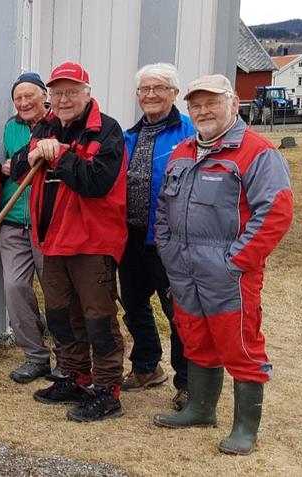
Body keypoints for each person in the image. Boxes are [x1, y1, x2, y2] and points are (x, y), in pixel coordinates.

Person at [152, 74, 293, 456]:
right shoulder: (182, 152)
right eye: (196, 105)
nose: (203, 111)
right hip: (183, 267)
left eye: (212, 103)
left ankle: (245, 428)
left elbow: (276, 212)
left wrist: (236, 262)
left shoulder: (257, 153)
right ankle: (200, 408)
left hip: (228, 271)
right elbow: (163, 209)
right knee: (196, 339)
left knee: (240, 345)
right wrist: (167, 249)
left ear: (233, 104)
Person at [11, 62, 128, 423]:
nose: (64, 99)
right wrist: (29, 156)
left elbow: (97, 182)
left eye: (71, 92)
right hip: (52, 239)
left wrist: (60, 155)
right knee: (61, 316)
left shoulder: (106, 130)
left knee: (98, 318)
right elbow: (17, 171)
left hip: (92, 241)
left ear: (87, 93)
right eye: (58, 92)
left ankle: (108, 390)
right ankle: (76, 377)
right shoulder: (45, 127)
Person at [119, 63, 195, 409]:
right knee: (134, 305)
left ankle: (188, 381)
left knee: (176, 312)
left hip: (169, 240)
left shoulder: (189, 133)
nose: (150, 95)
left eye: (159, 88)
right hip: (131, 236)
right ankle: (147, 366)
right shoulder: (129, 136)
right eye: (144, 89)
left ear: (174, 93)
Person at [0, 73, 61, 384]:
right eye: (18, 98)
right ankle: (35, 356)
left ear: (44, 96)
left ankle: (67, 357)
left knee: (55, 289)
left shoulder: (58, 124)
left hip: (46, 221)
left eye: (29, 97)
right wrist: (4, 167)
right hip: (12, 219)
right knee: (15, 287)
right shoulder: (11, 127)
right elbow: (9, 163)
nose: (23, 103)